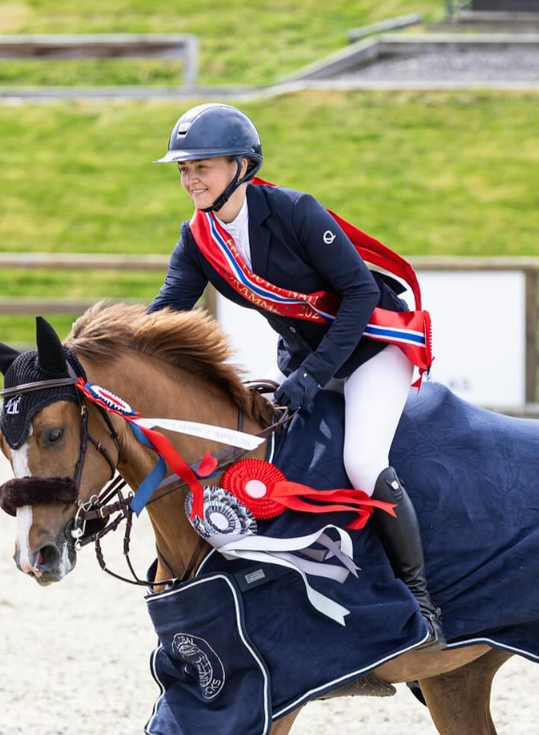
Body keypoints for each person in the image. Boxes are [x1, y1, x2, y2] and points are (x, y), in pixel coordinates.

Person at [147, 103, 444, 642]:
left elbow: (357, 294)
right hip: (304, 359)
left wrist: (312, 377)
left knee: (360, 460)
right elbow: (168, 309)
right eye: (184, 169)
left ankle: (421, 602)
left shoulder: (295, 212)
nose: (190, 179)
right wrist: (105, 352)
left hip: (374, 348)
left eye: (202, 166)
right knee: (263, 453)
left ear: (242, 166)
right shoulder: (198, 238)